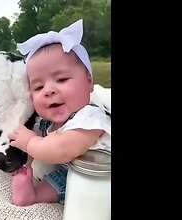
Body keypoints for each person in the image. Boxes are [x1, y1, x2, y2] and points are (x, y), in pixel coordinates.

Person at [8, 19, 111, 206]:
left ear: (89, 82)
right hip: (70, 173)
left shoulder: (90, 118)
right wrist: (26, 164)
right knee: (57, 181)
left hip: (102, 181)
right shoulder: (48, 123)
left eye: (62, 79)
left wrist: (30, 142)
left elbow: (61, 150)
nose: (49, 90)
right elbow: (41, 142)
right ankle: (32, 196)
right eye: (38, 87)